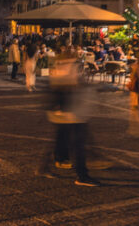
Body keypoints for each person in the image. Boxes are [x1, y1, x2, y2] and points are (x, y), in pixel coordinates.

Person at [47, 48, 97, 186]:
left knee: (62, 138)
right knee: (78, 142)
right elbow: (67, 85)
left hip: (68, 110)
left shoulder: (60, 66)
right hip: (71, 111)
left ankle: (49, 165)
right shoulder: (67, 67)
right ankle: (82, 175)